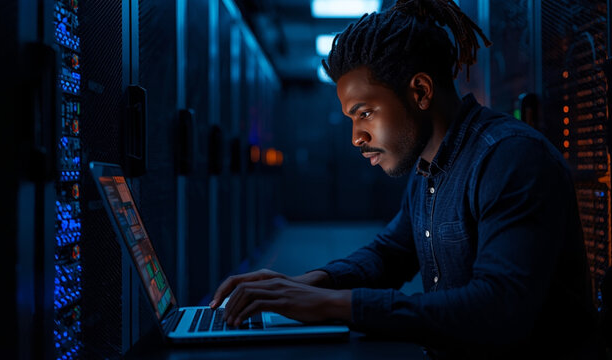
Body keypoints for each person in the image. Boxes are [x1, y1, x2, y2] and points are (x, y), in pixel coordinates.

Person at [209, 0, 600, 358]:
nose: (356, 138)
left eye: (364, 113)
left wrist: (329, 305)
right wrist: (311, 283)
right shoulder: (428, 166)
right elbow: (391, 253)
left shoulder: (511, 158)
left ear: (420, 91)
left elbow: (496, 308)